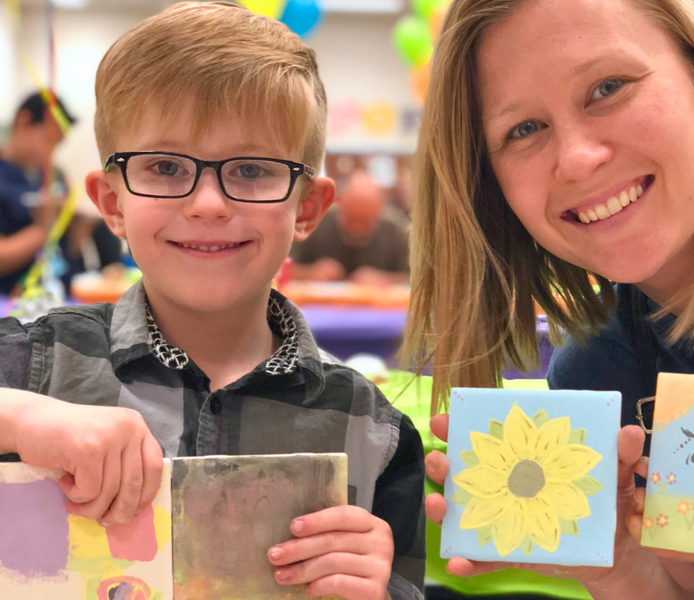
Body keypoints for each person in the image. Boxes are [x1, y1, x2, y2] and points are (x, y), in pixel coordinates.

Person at [0, 4, 425, 600]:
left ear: (305, 208)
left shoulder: (372, 430)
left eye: (252, 169)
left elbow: (403, 579)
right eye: (167, 166)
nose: (207, 203)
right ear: (112, 203)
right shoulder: (31, 366)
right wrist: (19, 417)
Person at [402, 0, 694, 598]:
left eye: (608, 87)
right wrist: (621, 565)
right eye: (524, 130)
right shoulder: (599, 378)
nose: (578, 158)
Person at [0, 92, 76, 294]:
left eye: (57, 144)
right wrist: (45, 227)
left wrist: (79, 225)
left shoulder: (56, 176)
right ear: (23, 121)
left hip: (60, 300)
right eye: (47, 140)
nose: (50, 152)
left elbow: (67, 251)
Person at [290, 170, 410, 284]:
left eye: (366, 222)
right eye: (351, 219)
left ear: (380, 212)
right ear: (339, 204)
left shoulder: (396, 230)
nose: (357, 228)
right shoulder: (315, 221)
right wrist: (309, 273)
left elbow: (413, 277)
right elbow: (281, 268)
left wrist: (384, 279)